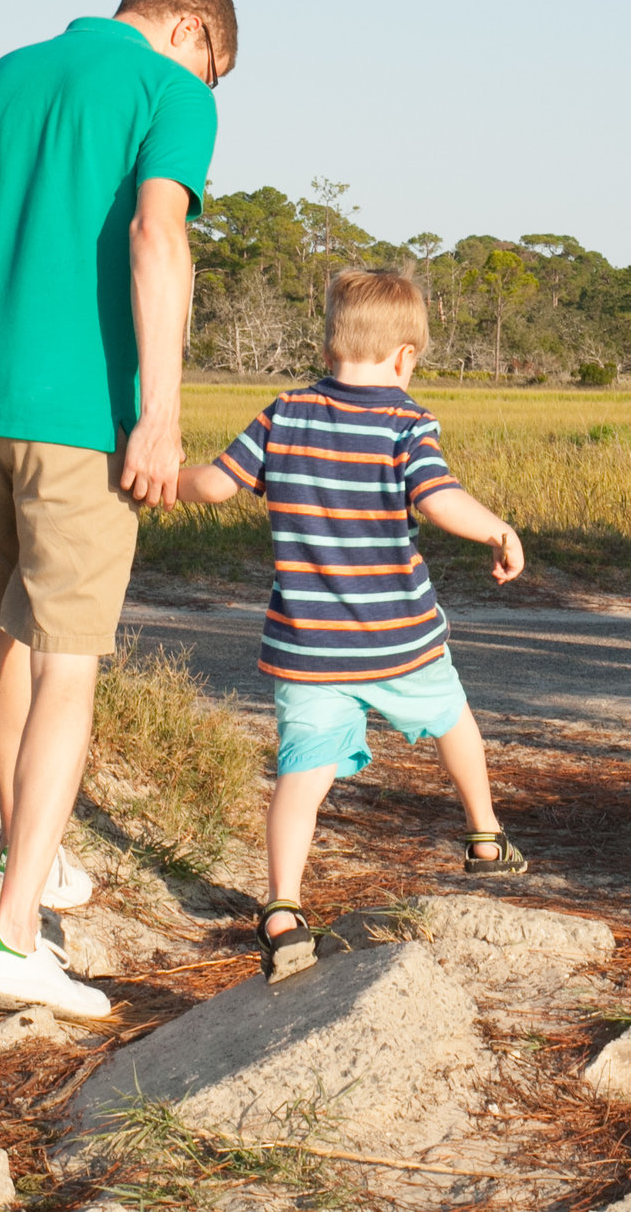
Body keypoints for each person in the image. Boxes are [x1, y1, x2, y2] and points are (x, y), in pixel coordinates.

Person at [0, 0, 234, 1020]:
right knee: (69, 657)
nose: (215, 87)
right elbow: (157, 233)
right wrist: (158, 414)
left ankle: (40, 851)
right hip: (76, 412)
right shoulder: (173, 89)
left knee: (8, 632)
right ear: (192, 27)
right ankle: (16, 934)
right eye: (219, 66)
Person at [173, 268, 527, 982]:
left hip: (307, 649)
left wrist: (155, 471)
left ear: (331, 342)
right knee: (456, 722)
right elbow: (439, 498)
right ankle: (485, 835)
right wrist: (499, 530)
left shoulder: (284, 412)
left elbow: (212, 484)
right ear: (404, 357)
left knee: (301, 775)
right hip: (401, 639)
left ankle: (280, 908)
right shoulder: (406, 422)